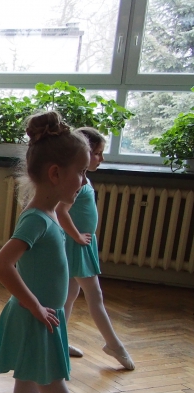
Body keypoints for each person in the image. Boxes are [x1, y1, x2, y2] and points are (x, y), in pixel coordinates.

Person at [0, 111, 126, 393]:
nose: (84, 180)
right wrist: (34, 305)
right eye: (80, 172)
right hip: (38, 322)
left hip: (42, 321)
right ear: (55, 174)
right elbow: (1, 265)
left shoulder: (49, 215)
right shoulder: (36, 218)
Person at [57, 127, 134, 370]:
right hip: (76, 245)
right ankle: (114, 345)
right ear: (83, 153)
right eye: (98, 153)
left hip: (80, 244)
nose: (101, 158)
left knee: (70, 295)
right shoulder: (77, 181)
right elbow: (60, 212)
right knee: (94, 295)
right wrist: (77, 236)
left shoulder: (83, 179)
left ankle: (58, 341)